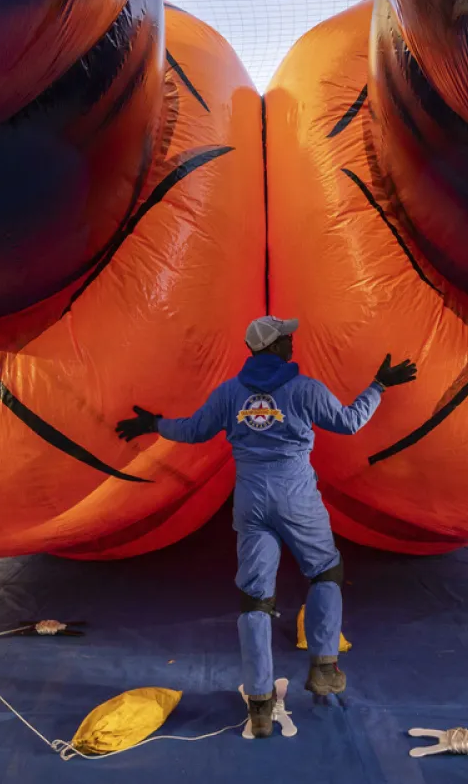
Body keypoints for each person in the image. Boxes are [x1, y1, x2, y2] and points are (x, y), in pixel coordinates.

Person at [115, 315, 416, 738]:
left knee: (255, 598)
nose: (292, 344)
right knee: (325, 571)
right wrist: (379, 385)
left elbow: (195, 430)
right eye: (287, 339)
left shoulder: (229, 393)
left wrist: (153, 424)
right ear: (274, 347)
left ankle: (259, 705)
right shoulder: (305, 388)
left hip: (252, 498)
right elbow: (349, 422)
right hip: (296, 496)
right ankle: (325, 666)